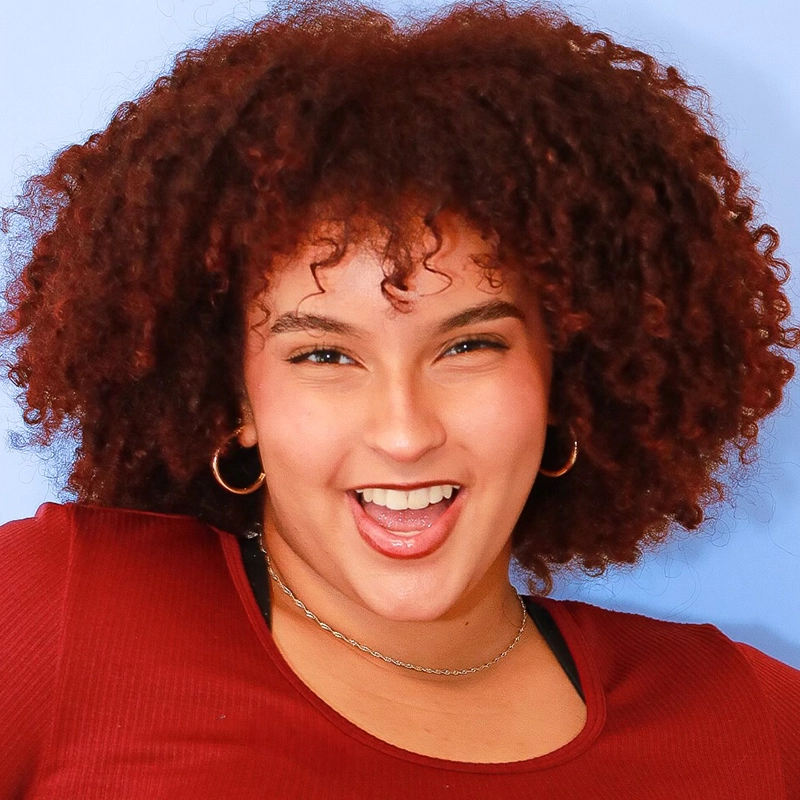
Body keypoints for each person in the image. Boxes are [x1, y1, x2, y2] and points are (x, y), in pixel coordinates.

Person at [1, 1, 798, 796]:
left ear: (567, 373)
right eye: (324, 354)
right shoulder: (58, 617)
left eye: (468, 347)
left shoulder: (753, 724)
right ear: (233, 397)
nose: (405, 433)